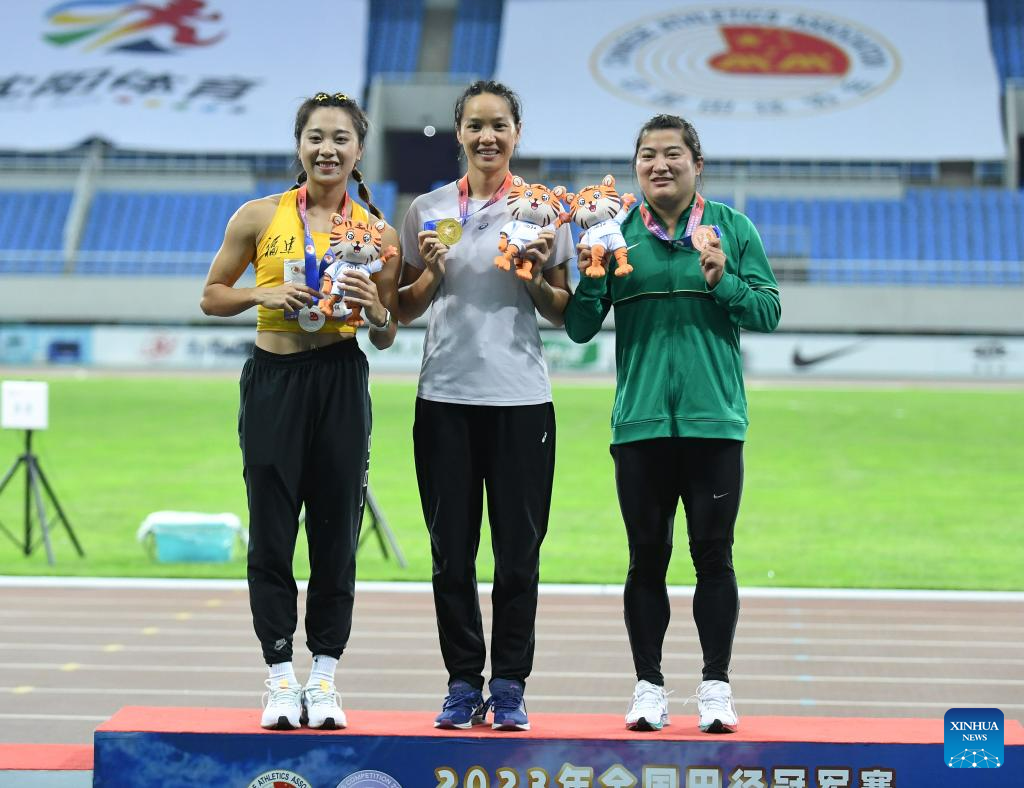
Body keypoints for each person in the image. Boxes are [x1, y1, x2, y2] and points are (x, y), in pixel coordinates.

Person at [564, 114, 781, 734]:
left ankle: (716, 687)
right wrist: (593, 277)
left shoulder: (732, 228)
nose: (659, 165)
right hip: (640, 426)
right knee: (645, 559)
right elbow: (579, 328)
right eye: (648, 155)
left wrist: (722, 281)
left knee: (714, 557)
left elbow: (768, 310)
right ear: (635, 166)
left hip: (714, 424)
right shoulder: (613, 234)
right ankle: (648, 687)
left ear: (696, 163)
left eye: (673, 154)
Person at [200, 91, 399, 731]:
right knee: (272, 530)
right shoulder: (258, 217)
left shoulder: (378, 233)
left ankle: (326, 677)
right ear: (299, 146)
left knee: (337, 534)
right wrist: (263, 293)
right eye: (316, 137)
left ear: (359, 150)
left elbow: (387, 333)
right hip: (273, 379)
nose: (327, 149)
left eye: (341, 139)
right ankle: (281, 675)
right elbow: (211, 296)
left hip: (340, 377)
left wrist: (376, 308)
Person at [396, 80, 574, 731]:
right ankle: (462, 682)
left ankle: (510, 684)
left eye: (498, 125)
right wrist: (432, 272)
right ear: (459, 133)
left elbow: (563, 312)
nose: (487, 136)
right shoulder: (427, 208)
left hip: (521, 399)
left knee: (518, 556)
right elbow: (403, 308)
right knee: (451, 553)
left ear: (516, 133)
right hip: (444, 396)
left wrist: (534, 276)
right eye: (475, 125)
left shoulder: (544, 208)